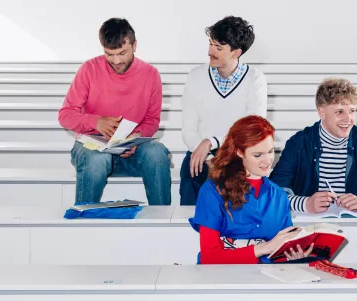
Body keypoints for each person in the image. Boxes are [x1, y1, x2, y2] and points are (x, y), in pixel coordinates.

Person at [58, 18, 170, 205]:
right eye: (109, 54)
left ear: (135, 45)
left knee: (157, 153)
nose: (116, 61)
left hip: (131, 152)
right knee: (96, 160)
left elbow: (152, 120)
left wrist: (136, 137)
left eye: (122, 53)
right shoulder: (89, 69)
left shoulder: (151, 74)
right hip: (92, 149)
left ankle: (162, 218)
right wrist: (96, 123)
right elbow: (65, 115)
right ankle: (83, 219)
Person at [189, 115, 311, 264]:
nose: (267, 161)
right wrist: (263, 248)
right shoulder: (212, 191)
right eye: (258, 155)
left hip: (267, 278)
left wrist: (292, 254)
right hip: (223, 279)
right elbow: (210, 257)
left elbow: (280, 252)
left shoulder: (279, 195)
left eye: (271, 151)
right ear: (239, 152)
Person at [270, 78, 357, 213]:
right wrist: (305, 204)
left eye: (351, 111)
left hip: (356, 226)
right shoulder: (298, 143)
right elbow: (273, 192)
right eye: (339, 112)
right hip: (310, 227)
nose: (348, 119)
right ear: (322, 113)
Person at [180, 15, 268, 206]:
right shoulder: (196, 76)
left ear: (236, 52)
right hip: (202, 153)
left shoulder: (255, 79)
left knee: (236, 179)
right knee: (192, 170)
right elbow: (188, 129)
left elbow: (253, 127)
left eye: (218, 48)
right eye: (210, 44)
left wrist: (212, 141)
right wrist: (210, 159)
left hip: (237, 153)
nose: (210, 51)